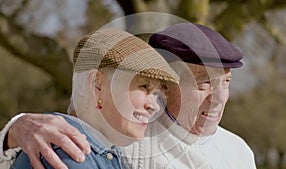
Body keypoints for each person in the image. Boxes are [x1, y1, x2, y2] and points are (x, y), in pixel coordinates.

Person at [1, 23, 256, 168]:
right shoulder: (110, 143)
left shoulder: (240, 152)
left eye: (227, 82)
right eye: (203, 84)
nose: (220, 98)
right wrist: (13, 133)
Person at [5, 27, 180, 169]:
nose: (154, 106)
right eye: (144, 86)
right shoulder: (70, 155)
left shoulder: (98, 152)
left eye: (156, 94)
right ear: (98, 84)